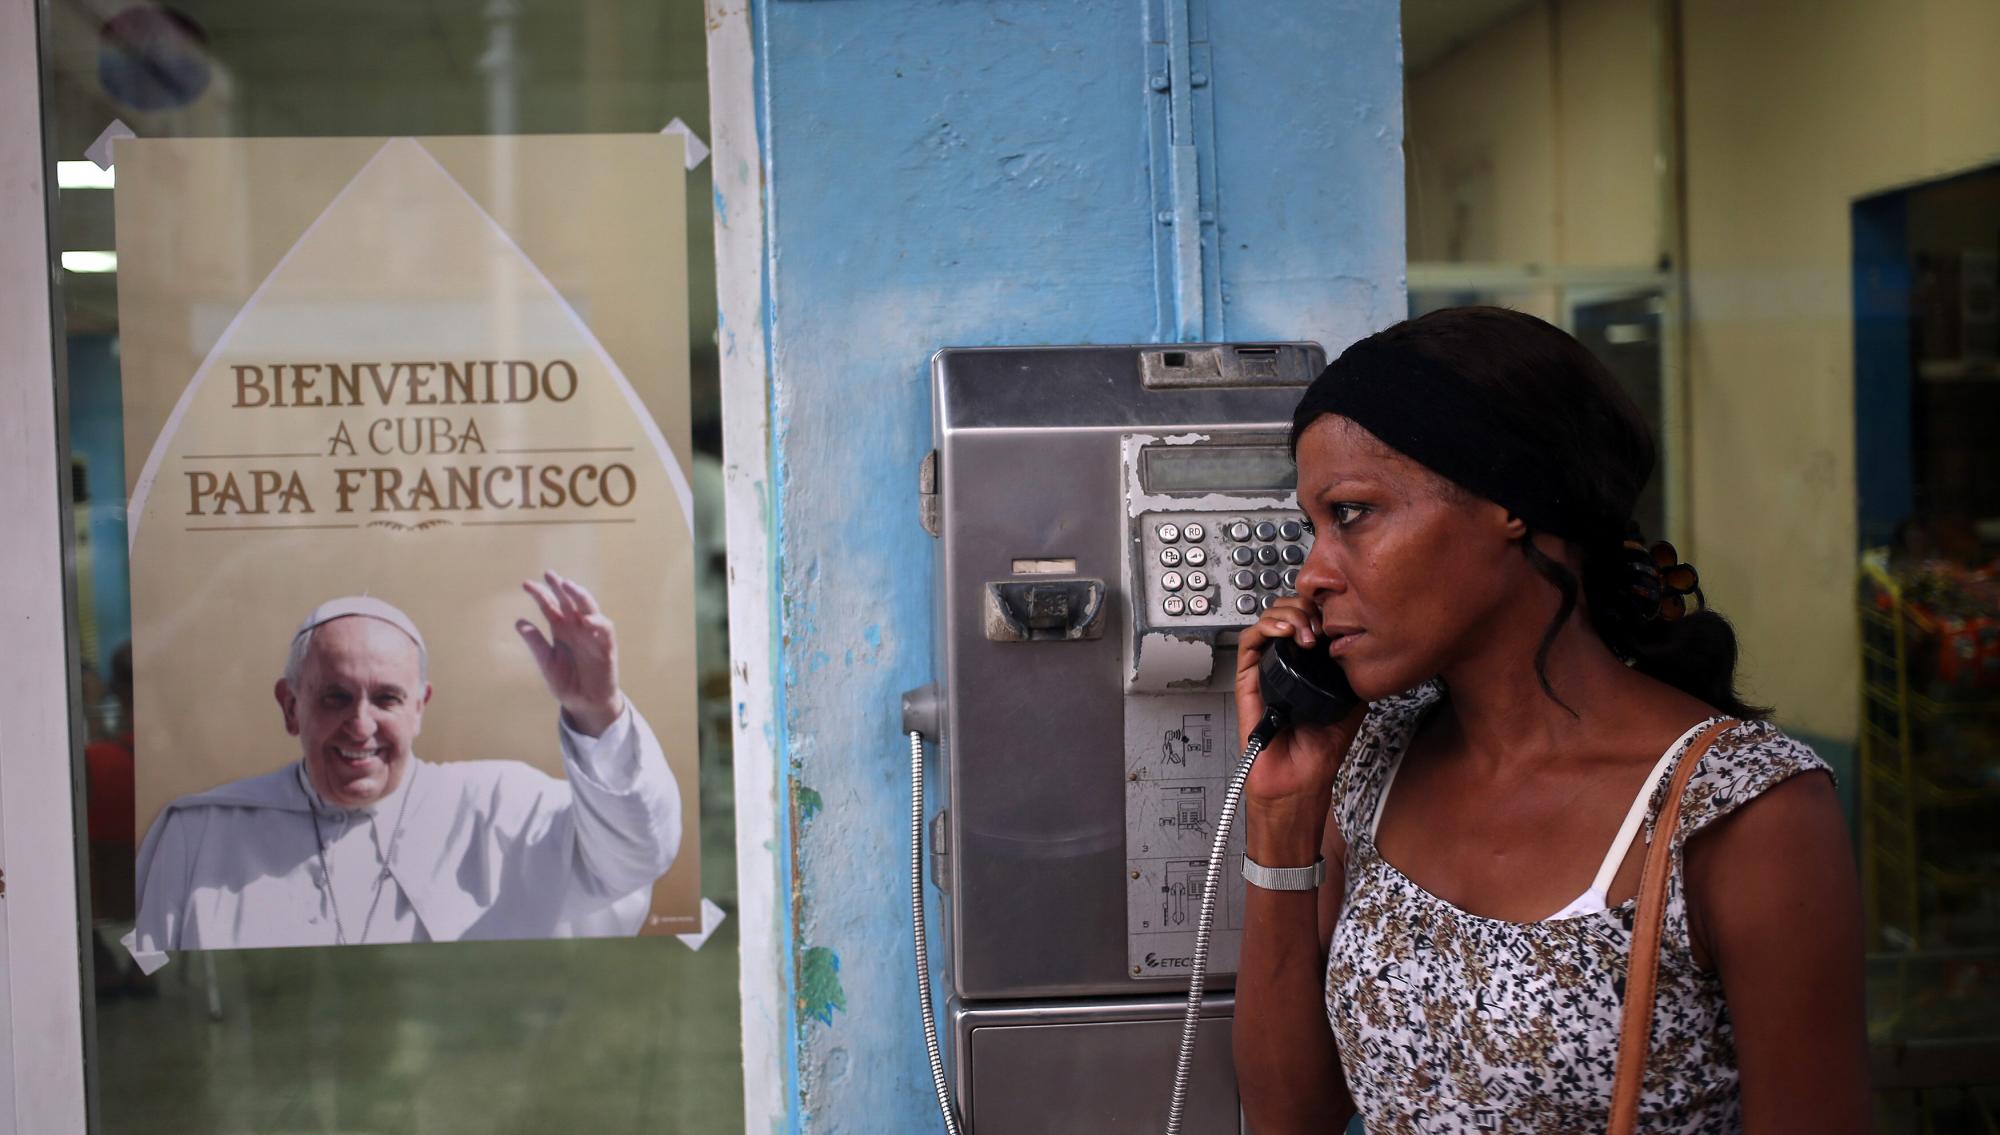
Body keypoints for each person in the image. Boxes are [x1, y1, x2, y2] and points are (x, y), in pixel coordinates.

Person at [1232, 307, 1867, 1133]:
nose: (1313, 574)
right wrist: (1282, 819)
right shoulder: (1373, 761)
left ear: (1510, 502)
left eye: (1351, 513)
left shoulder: (1743, 809)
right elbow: (1290, 1118)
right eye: (1312, 528)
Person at [125, 572, 681, 966]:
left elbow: (637, 853)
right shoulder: (199, 837)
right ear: (291, 706)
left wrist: (596, 713)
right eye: (335, 698)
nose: (360, 726)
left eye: (386, 699)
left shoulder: (504, 808)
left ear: (420, 707)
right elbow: (157, 1002)